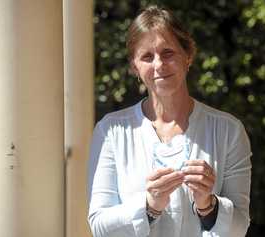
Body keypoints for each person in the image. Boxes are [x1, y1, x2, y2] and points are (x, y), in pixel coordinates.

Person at [87, 4, 252, 237]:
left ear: (188, 56)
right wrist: (149, 205)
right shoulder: (111, 131)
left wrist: (208, 205)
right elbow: (99, 225)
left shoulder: (228, 130)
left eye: (168, 53)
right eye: (147, 57)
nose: (159, 65)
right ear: (135, 67)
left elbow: (239, 227)